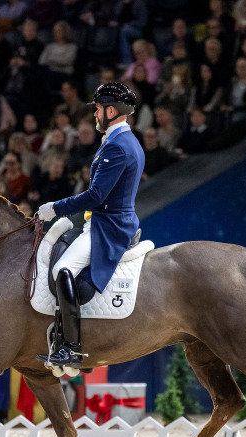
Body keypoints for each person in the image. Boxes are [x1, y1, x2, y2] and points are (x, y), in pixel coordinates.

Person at [36, 82, 145, 368]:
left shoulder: (118, 147)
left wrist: (55, 208)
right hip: (105, 219)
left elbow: (96, 195)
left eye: (97, 109)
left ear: (111, 110)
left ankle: (71, 347)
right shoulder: (119, 141)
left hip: (109, 226)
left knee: (63, 269)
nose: (94, 114)